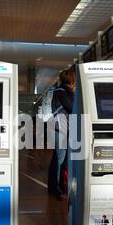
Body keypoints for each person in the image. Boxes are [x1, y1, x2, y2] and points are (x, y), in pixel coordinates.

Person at [47, 67, 75, 199]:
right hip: (61, 129)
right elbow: (72, 107)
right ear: (71, 80)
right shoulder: (62, 92)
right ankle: (56, 188)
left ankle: (57, 186)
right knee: (59, 159)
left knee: (58, 159)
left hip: (62, 128)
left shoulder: (61, 91)